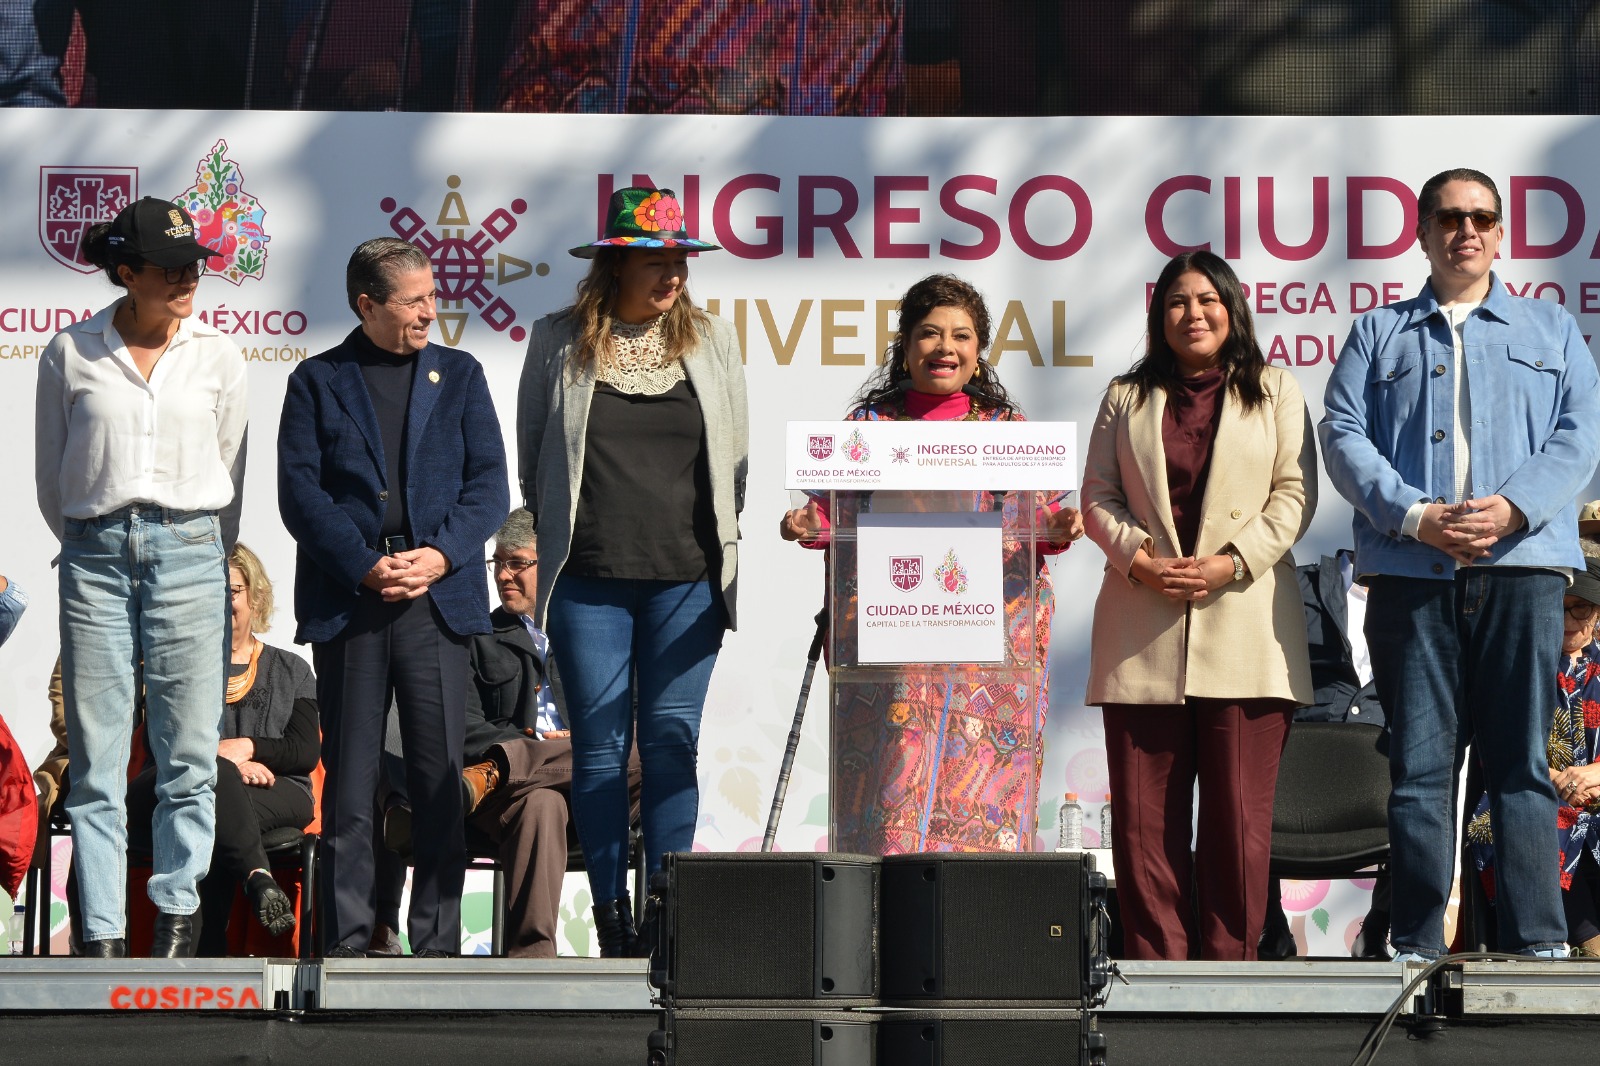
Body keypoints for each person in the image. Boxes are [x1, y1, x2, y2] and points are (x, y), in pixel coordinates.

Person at [1320, 167, 1600, 962]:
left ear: (1501, 232)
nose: (1465, 230)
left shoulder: (1552, 331)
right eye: (1448, 217)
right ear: (1422, 231)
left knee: (1520, 763)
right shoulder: (1379, 334)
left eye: (1480, 217)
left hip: (1524, 571)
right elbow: (1342, 435)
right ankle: (1413, 941)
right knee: (1419, 767)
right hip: (1413, 575)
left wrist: (1511, 509)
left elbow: (1580, 435)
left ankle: (1538, 941)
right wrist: (1415, 516)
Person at [779, 273, 1083, 855]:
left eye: (961, 336)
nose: (945, 347)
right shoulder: (870, 428)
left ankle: (973, 916)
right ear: (906, 345)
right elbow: (830, 513)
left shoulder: (1006, 432)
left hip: (985, 652)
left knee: (971, 791)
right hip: (895, 642)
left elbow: (1039, 520)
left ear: (978, 351)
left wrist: (1057, 528)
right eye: (930, 334)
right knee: (892, 788)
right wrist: (805, 525)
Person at [517, 187, 746, 956]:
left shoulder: (711, 340)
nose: (673, 274)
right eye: (656, 261)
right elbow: (534, 459)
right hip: (588, 580)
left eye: (679, 260)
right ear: (614, 267)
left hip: (687, 581)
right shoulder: (556, 339)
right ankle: (613, 914)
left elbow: (733, 464)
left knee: (674, 742)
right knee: (602, 748)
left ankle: (668, 908)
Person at [1081, 249, 1316, 961]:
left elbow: (1294, 494)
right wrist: (1140, 561)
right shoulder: (1127, 395)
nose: (1194, 313)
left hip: (1246, 627)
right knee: (1143, 824)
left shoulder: (1275, 390)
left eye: (1208, 299)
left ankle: (1231, 973)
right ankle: (1155, 970)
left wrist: (1231, 563)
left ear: (1232, 308)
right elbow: (1096, 497)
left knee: (1237, 821)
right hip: (1140, 629)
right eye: (1178, 301)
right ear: (1160, 317)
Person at [278, 237, 508, 958]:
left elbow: (489, 487)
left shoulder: (461, 375)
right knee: (350, 786)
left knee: (437, 782)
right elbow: (300, 494)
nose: (431, 313)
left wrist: (438, 557)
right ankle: (346, 943)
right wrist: (363, 566)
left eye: (434, 298)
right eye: (416, 301)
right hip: (353, 606)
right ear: (367, 304)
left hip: (435, 604)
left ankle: (437, 949)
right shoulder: (318, 380)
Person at [35, 195, 246, 959]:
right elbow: (53, 481)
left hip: (191, 551)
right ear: (126, 273)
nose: (190, 279)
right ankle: (101, 934)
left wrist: (190, 542)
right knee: (95, 756)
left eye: (197, 266)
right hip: (94, 556)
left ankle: (177, 923)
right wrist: (97, 537)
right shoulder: (69, 351)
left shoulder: (220, 354)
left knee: (188, 751)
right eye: (171, 268)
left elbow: (229, 466)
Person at [123, 544, 314, 954]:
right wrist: (222, 764)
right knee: (209, 789)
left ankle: (195, 953)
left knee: (208, 803)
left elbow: (303, 751)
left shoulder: (292, 669)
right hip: (172, 784)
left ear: (255, 597)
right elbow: (161, 746)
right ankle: (256, 877)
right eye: (212, 591)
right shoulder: (173, 665)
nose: (223, 601)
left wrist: (247, 748)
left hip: (277, 790)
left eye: (233, 591)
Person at [1468, 556, 1600, 955]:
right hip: (1526, 791)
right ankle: (1587, 944)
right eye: (1560, 606)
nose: (1569, 619)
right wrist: (1555, 779)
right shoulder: (1518, 664)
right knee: (1548, 824)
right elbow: (1498, 741)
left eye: (1581, 608)